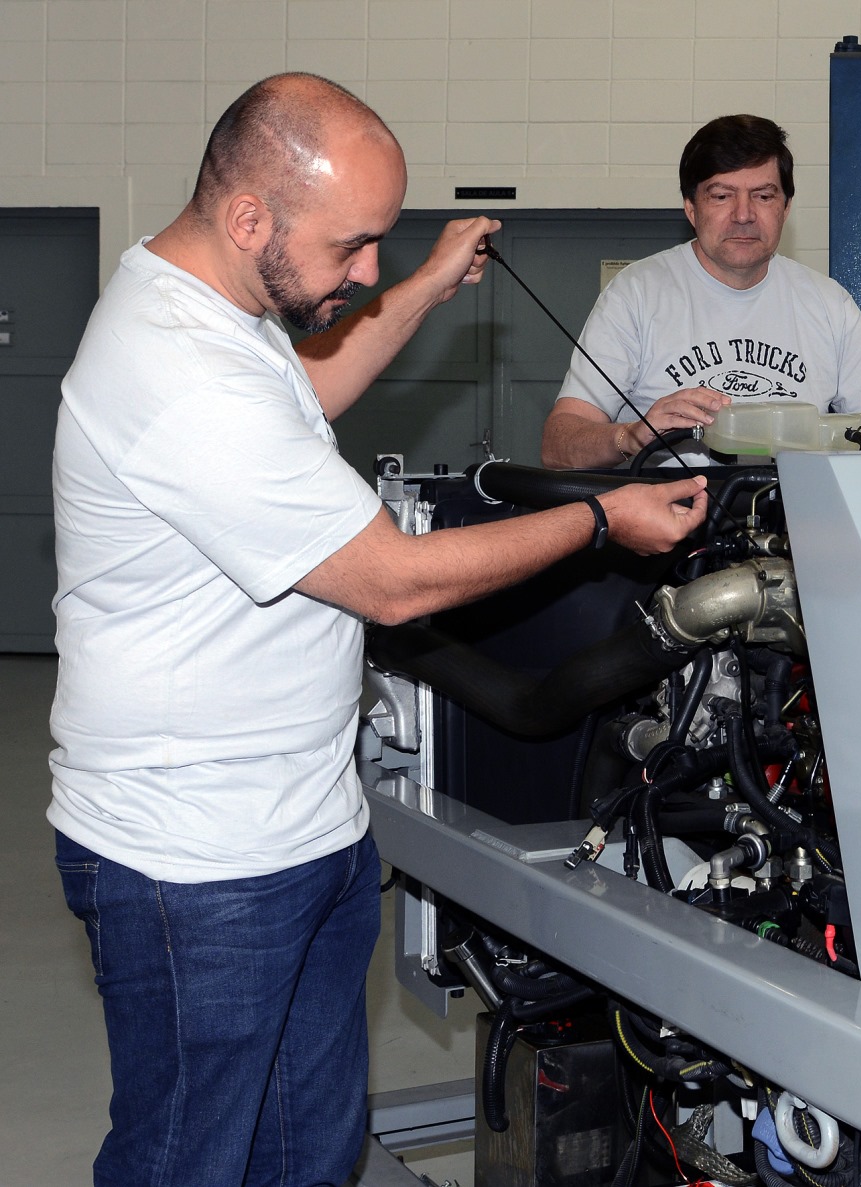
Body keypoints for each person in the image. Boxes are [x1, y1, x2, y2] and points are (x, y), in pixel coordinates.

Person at [49, 73, 706, 1187]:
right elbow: (392, 583)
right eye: (355, 246)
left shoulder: (225, 307)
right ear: (251, 216)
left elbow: (315, 389)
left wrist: (430, 286)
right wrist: (600, 517)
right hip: (195, 861)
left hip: (301, 828)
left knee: (309, 1152)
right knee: (187, 1159)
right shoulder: (176, 368)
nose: (367, 273)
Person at [540, 113, 861, 468]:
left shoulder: (827, 302)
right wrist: (630, 437)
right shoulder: (636, 294)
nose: (744, 215)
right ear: (691, 208)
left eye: (763, 196)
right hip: (665, 533)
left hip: (796, 525)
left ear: (785, 208)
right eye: (722, 196)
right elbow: (559, 445)